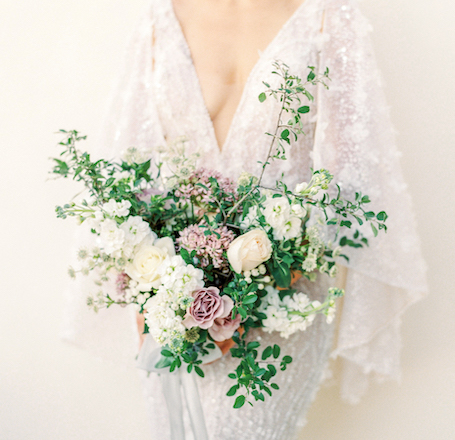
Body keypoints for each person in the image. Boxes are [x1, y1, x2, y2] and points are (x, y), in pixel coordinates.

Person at [62, 0, 428, 438]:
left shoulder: (327, 16)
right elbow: (134, 163)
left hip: (283, 296)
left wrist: (283, 264)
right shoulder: (163, 16)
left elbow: (352, 176)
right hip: (171, 303)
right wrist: (152, 291)